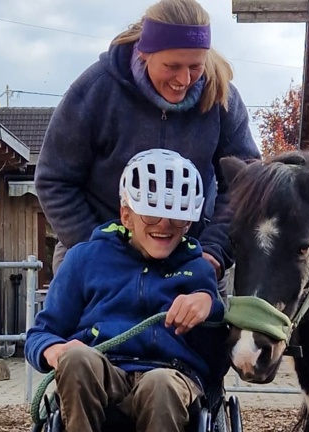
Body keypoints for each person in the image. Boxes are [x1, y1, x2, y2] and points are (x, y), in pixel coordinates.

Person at [34, 0, 261, 287]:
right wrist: (96, 247)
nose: (184, 79)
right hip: (99, 249)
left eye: (195, 67)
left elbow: (245, 185)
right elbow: (54, 180)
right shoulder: (96, 90)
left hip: (189, 253)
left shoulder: (222, 98)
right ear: (144, 53)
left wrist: (215, 250)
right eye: (172, 66)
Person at [25, 149, 228, 432]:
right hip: (103, 371)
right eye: (151, 215)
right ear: (126, 215)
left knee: (160, 384)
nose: (164, 226)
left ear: (189, 222)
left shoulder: (198, 271)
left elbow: (218, 360)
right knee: (77, 358)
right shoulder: (84, 259)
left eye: (176, 218)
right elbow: (39, 334)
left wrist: (210, 307)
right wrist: (53, 350)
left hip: (172, 376)